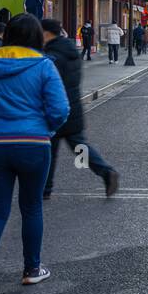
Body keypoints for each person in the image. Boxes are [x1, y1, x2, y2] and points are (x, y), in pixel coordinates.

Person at [0, 14, 70, 294]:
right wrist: (44, 127)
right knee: (32, 207)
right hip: (34, 143)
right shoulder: (44, 65)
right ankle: (31, 269)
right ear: (36, 36)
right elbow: (60, 109)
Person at [41, 19, 119, 200]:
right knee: (78, 147)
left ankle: (45, 188)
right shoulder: (68, 51)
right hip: (73, 109)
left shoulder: (53, 56)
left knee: (49, 150)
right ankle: (105, 172)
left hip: (56, 110)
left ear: (46, 33)